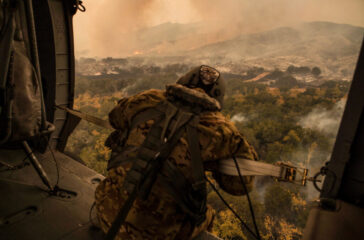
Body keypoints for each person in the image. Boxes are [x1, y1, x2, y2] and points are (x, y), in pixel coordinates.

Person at [95, 65, 258, 240]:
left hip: (109, 217)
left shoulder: (146, 99)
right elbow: (240, 185)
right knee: (207, 215)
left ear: (183, 81)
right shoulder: (222, 132)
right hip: (164, 235)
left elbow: (115, 118)